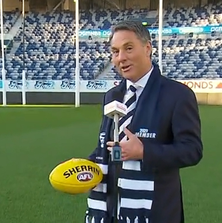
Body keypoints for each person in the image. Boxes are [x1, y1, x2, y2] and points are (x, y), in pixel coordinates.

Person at [85, 20, 203, 223]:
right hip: (112, 211)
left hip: (155, 212)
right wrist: (86, 166)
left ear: (148, 48)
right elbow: (108, 147)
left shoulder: (178, 95)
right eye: (115, 51)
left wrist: (144, 151)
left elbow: (192, 150)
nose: (121, 58)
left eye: (128, 48)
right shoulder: (112, 96)